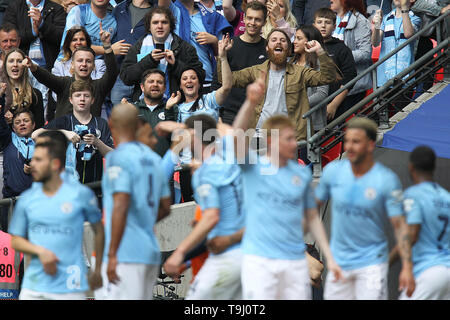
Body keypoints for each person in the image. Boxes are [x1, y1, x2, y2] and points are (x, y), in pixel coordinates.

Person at [226, 72, 342, 299]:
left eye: (293, 137)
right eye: (288, 138)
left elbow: (311, 218)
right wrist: (250, 103)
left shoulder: (300, 172)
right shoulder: (254, 167)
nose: (294, 143)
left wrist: (328, 255)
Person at [314, 116, 416, 299]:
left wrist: (407, 267)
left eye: (356, 142)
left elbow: (401, 227)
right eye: (347, 141)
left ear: (370, 145)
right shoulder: (333, 172)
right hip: (339, 266)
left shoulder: (386, 180)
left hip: (371, 267)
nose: (349, 147)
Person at [8, 131, 105, 300]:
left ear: (54, 164)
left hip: (70, 287)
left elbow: (99, 230)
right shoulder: (28, 199)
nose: (33, 164)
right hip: (34, 287)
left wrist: (98, 269)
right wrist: (40, 251)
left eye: (39, 160)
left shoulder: (81, 195)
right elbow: (16, 240)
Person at [163, 113, 245, 300]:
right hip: (247, 253)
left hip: (228, 258)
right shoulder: (230, 159)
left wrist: (179, 254)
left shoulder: (206, 171)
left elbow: (212, 218)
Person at [217, 28, 338, 154]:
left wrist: (320, 51)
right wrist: (223, 57)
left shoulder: (300, 72)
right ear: (267, 48)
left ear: (289, 49)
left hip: (289, 138)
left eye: (283, 40)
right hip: (258, 137)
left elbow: (328, 77)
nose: (278, 43)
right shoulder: (256, 71)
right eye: (274, 40)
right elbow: (227, 80)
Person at [98, 103, 171, 300]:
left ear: (111, 124)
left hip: (125, 254)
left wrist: (112, 254)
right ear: (138, 125)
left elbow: (121, 203)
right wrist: (142, 222)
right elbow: (165, 207)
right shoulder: (154, 158)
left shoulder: (117, 158)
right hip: (149, 252)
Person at [166, 34, 233, 202]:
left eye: (193, 78)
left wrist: (223, 57)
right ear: (181, 85)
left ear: (199, 83)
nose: (189, 81)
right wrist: (169, 108)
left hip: (213, 164)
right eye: (185, 79)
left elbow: (226, 88)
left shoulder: (208, 101)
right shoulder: (177, 109)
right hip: (189, 168)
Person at [389, 146, 449, 300]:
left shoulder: (413, 195)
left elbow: (411, 234)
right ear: (433, 167)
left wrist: (386, 262)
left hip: (429, 271)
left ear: (411, 167)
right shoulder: (446, 197)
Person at [25, 25, 119, 119]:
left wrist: (107, 46)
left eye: (88, 61)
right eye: (80, 60)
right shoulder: (64, 83)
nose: (84, 64)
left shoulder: (99, 86)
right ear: (72, 64)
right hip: (65, 131)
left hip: (92, 132)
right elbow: (47, 78)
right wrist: (33, 67)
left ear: (94, 65)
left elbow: (112, 73)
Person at [32, 80, 114, 184]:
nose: (82, 99)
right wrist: (64, 133)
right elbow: (35, 135)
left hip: (95, 186)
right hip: (67, 187)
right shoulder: (64, 121)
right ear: (71, 100)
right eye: (78, 95)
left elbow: (113, 155)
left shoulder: (101, 123)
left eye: (86, 96)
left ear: (92, 100)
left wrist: (97, 142)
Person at [120, 6, 205, 102]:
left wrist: (175, 64)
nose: (159, 26)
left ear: (171, 26)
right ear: (149, 26)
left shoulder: (185, 48)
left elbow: (200, 76)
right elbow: (126, 77)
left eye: (164, 22)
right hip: (144, 106)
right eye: (155, 22)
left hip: (175, 103)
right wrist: (149, 60)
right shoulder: (137, 47)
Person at [158, 0, 234, 93]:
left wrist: (214, 41)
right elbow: (162, 4)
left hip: (206, 77)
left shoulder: (211, 16)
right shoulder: (173, 11)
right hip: (179, 76)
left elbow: (221, 54)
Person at [212, 1, 268, 125]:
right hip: (229, 114)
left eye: (257, 19)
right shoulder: (230, 45)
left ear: (264, 22)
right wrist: (217, 113)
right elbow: (217, 82)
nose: (252, 23)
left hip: (259, 115)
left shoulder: (268, 48)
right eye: (249, 18)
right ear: (244, 18)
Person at [372, 0, 421, 109]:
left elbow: (408, 33)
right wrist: (376, 25)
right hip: (384, 76)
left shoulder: (415, 18)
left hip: (405, 76)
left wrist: (404, 9)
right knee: (384, 113)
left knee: (401, 112)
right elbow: (375, 42)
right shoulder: (386, 18)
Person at [50, 26, 107, 121]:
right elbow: (56, 95)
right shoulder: (59, 65)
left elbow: (99, 90)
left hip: (93, 111)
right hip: (66, 112)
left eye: (82, 39)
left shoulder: (99, 64)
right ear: (68, 44)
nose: (78, 42)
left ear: (88, 43)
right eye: (74, 40)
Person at [329, 0, 372, 119]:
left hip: (352, 84)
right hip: (332, 83)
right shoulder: (330, 19)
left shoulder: (359, 21)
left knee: (342, 123)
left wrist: (339, 57)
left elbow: (365, 52)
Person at [312, 8, 357, 121]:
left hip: (333, 104)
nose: (323, 26)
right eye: (319, 22)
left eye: (327, 23)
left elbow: (349, 79)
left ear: (334, 26)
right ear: (313, 25)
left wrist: (334, 104)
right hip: (309, 102)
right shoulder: (307, 45)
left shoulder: (342, 49)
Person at [3, 0, 66, 71]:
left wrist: (42, 24)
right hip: (21, 66)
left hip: (49, 66)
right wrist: (33, 33)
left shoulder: (57, 8)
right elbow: (9, 36)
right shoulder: (14, 7)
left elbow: (62, 37)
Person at [110, 0, 153, 106]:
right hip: (120, 72)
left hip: (146, 72)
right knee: (120, 113)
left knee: (145, 113)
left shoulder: (156, 10)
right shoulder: (119, 8)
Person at [0, 107, 35, 231]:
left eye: (26, 120)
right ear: (13, 128)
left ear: (33, 125)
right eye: (17, 122)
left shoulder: (41, 143)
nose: (22, 124)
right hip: (12, 203)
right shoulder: (8, 140)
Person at [128, 68, 173, 157]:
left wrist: (169, 110)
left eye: (159, 82)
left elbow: (174, 138)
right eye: (151, 81)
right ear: (142, 87)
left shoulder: (172, 107)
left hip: (163, 165)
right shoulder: (132, 109)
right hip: (139, 164)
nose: (155, 84)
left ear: (164, 88)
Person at [292, 25, 329, 133]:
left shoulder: (320, 64)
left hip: (312, 123)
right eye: (294, 38)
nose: (294, 41)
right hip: (291, 123)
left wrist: (298, 104)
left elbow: (322, 94)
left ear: (311, 42)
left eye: (299, 38)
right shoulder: (290, 63)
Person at [3, 49, 44, 129]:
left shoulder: (35, 94)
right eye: (11, 61)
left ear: (25, 66)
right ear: (5, 66)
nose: (15, 64)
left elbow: (39, 126)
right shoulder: (1, 93)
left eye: (19, 61)